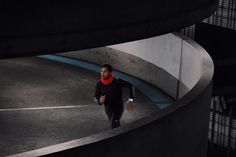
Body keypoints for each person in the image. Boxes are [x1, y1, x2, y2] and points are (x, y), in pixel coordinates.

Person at [94, 64, 135, 129]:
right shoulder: (99, 84)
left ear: (110, 72)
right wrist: (99, 101)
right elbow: (95, 96)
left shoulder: (117, 81)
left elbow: (131, 86)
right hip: (108, 108)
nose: (102, 73)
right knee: (114, 123)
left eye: (105, 71)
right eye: (101, 71)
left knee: (114, 123)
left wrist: (131, 100)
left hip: (118, 107)